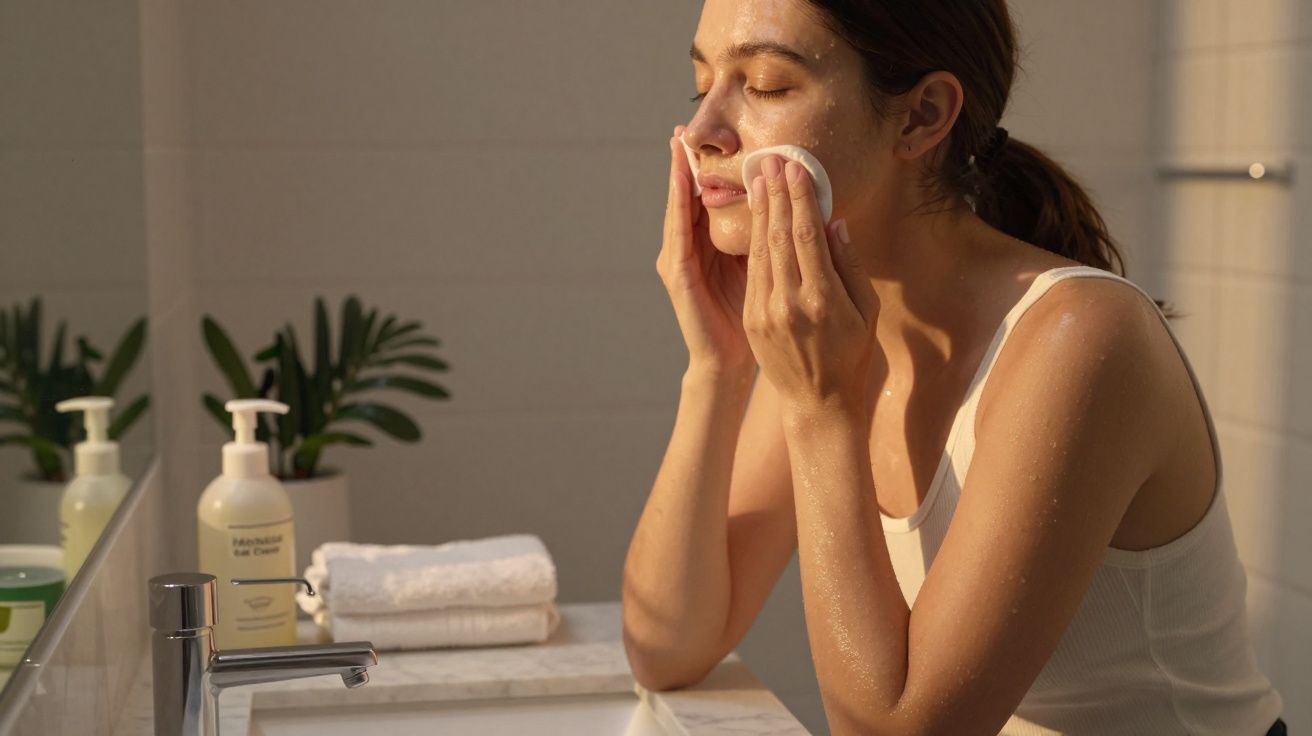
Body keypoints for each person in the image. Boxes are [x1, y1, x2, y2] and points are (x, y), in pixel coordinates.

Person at [621, 1, 1287, 734]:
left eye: (768, 86)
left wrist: (822, 410)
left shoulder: (1082, 338)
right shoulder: (831, 328)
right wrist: (717, 367)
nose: (703, 133)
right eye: (701, 84)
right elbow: (666, 646)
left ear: (921, 116)